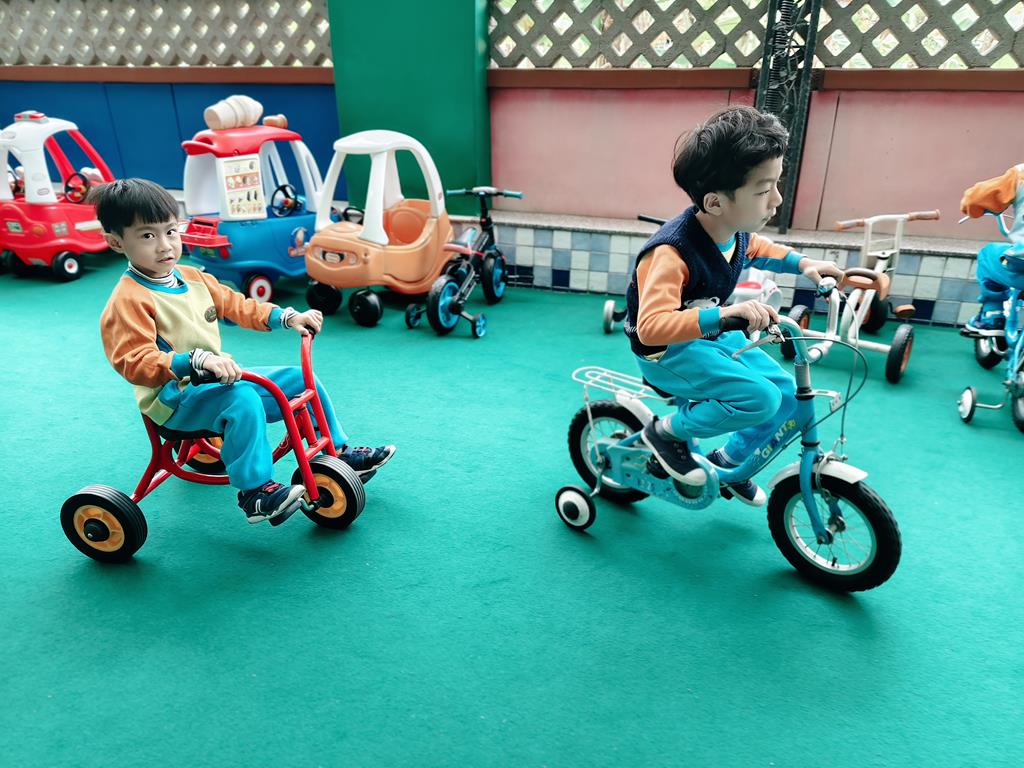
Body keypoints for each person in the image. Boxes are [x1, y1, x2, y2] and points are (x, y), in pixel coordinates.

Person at [92, 179, 395, 525]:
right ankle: (255, 492)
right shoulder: (128, 301)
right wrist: (193, 360)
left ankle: (336, 451)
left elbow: (238, 305)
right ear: (116, 242)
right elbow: (134, 362)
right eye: (148, 236)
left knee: (298, 379)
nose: (165, 245)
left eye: (171, 231)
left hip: (215, 381)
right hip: (173, 399)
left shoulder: (193, 277)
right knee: (242, 399)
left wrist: (286, 317)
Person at [622, 106, 844, 506]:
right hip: (667, 354)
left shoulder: (732, 231)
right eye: (763, 190)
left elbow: (760, 248)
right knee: (760, 398)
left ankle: (732, 462)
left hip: (709, 338)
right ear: (715, 202)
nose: (777, 199)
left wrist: (804, 264)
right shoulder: (671, 253)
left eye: (777, 183)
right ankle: (666, 432)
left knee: (787, 394)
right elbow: (651, 328)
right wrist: (725, 315)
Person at [959, 164, 1024, 336]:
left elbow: (975, 199)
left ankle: (992, 314)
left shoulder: (1020, 173)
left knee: (988, 255)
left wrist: (972, 209)